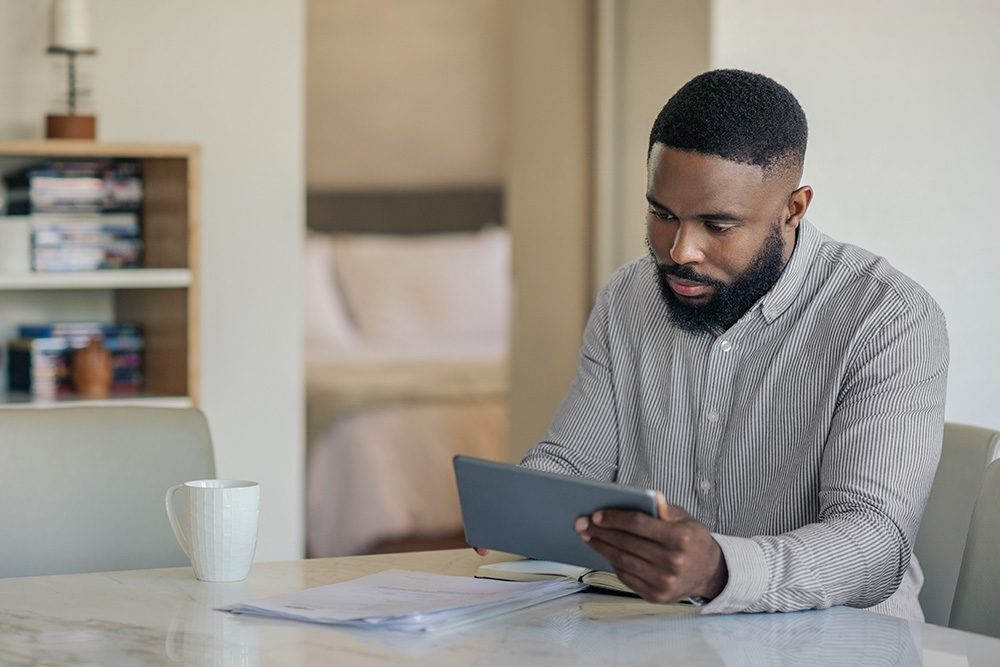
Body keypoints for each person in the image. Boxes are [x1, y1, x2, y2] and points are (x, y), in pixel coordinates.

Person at [513, 69, 949, 621]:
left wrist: (718, 570)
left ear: (793, 208)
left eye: (716, 225)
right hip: (660, 637)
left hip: (839, 645)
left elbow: (874, 545)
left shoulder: (887, 318)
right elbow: (575, 463)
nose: (679, 250)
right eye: (661, 214)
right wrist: (519, 508)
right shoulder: (629, 297)